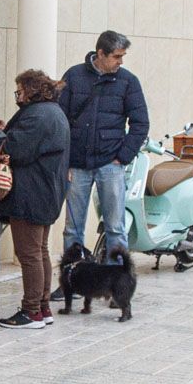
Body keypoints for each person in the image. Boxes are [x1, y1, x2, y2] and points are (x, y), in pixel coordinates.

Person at [0, 70, 71, 329]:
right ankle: (43, 307)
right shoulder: (52, 112)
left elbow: (16, 150)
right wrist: (7, 132)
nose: (18, 96)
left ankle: (31, 311)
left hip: (30, 194)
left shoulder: (38, 115)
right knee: (40, 250)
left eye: (21, 90)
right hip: (46, 192)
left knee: (29, 254)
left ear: (32, 90)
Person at [59, 30, 148, 253]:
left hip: (111, 164)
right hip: (77, 165)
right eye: (116, 56)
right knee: (72, 229)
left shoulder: (128, 81)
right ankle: (73, 279)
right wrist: (65, 160)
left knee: (116, 228)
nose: (121, 61)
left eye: (122, 56)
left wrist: (122, 157)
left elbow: (140, 124)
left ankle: (116, 283)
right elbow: (60, 120)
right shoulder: (73, 75)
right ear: (101, 53)